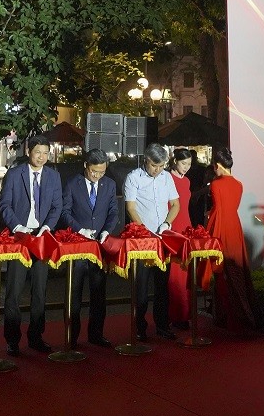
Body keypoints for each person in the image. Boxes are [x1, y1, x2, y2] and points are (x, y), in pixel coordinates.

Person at [0, 134, 62, 354]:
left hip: (42, 237)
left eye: (45, 153)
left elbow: (57, 206)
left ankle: (36, 336)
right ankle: (12, 340)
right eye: (38, 153)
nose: (41, 157)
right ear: (28, 152)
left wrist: (48, 227)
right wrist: (17, 226)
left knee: (40, 291)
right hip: (20, 237)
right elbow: (5, 205)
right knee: (14, 291)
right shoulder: (15, 174)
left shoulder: (53, 176)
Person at [60, 148, 117, 348]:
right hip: (77, 246)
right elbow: (65, 212)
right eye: (94, 171)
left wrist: (107, 231)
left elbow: (113, 212)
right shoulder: (72, 183)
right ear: (86, 166)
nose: (97, 176)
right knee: (74, 293)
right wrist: (79, 229)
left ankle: (96, 334)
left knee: (99, 293)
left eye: (102, 172)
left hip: (99, 247)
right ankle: (72, 337)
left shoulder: (109, 184)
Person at [123, 144, 179, 340]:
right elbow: (131, 207)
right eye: (155, 165)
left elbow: (175, 204)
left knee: (162, 285)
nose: (158, 170)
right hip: (143, 240)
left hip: (163, 238)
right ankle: (139, 328)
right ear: (146, 160)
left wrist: (167, 223)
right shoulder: (134, 177)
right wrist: (143, 230)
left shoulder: (167, 177)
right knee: (141, 287)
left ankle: (162, 325)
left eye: (162, 166)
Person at [201, 147, 257, 331]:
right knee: (236, 272)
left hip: (221, 226)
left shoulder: (216, 184)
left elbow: (218, 210)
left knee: (221, 272)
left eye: (213, 166)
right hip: (234, 226)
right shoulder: (239, 185)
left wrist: (209, 230)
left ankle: (224, 317)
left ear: (217, 165)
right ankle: (243, 317)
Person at [166, 148, 195, 329]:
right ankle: (174, 315)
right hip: (173, 226)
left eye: (189, 164)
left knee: (186, 272)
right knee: (174, 274)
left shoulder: (187, 180)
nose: (186, 167)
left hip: (186, 226)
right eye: (183, 163)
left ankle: (185, 314)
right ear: (175, 161)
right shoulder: (167, 178)